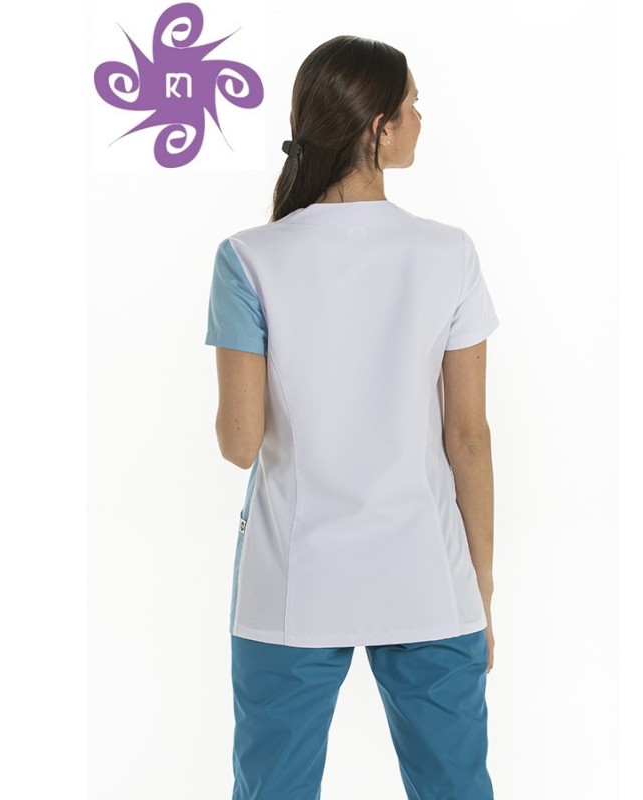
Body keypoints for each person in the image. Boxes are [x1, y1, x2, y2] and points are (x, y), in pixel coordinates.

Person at [205, 35, 500, 800]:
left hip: (293, 578)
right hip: (426, 573)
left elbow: (239, 443)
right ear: (378, 127)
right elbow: (468, 438)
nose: (420, 119)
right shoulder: (449, 253)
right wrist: (481, 586)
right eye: (413, 106)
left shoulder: (248, 258)